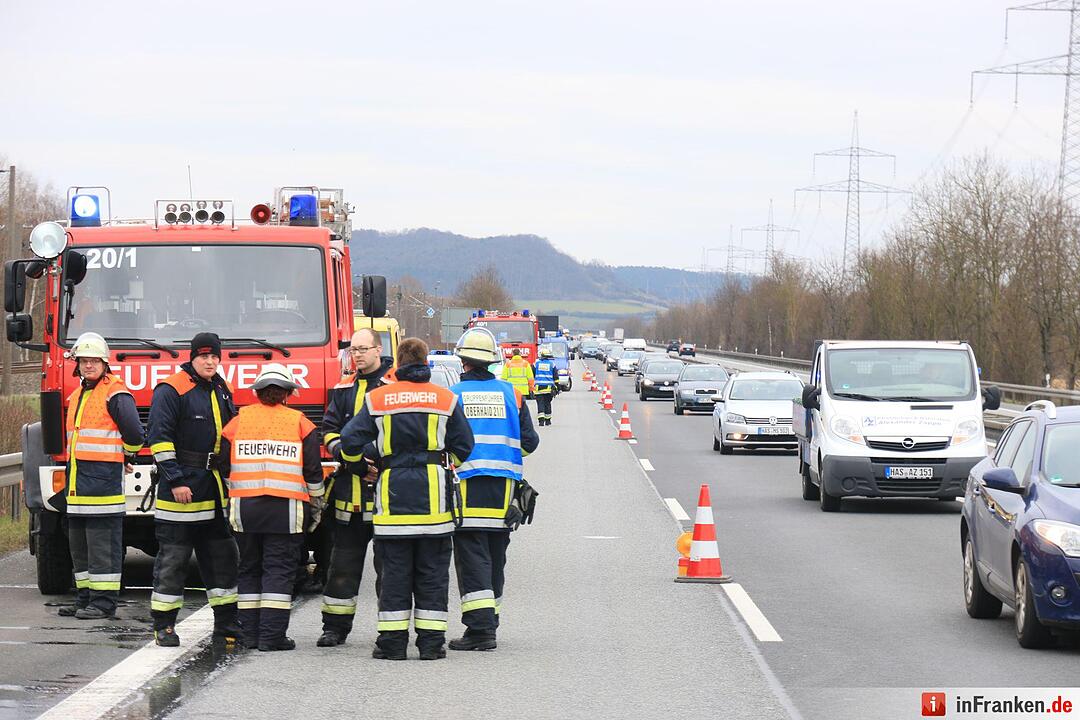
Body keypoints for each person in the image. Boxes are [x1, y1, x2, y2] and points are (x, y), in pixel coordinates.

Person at [339, 338, 474, 661]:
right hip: (434, 504)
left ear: (396, 366)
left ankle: (392, 644)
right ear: (426, 364)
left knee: (395, 576)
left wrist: (361, 465)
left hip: (392, 499)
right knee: (432, 575)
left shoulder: (378, 398)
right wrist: (444, 462)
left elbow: (348, 440)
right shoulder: (445, 399)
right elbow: (465, 445)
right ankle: (430, 645)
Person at [219, 364, 324, 651]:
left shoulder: (239, 421)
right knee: (278, 570)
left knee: (249, 569)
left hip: (245, 509)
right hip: (286, 510)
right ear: (288, 393)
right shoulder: (300, 423)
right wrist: (316, 504)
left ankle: (250, 635)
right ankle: (272, 637)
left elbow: (223, 465)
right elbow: (313, 471)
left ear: (257, 392)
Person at [147, 333, 241, 646]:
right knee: (173, 560)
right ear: (192, 358)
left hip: (214, 490)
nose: (210, 361)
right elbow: (159, 439)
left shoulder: (220, 387)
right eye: (203, 357)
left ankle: (227, 626)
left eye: (214, 356)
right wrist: (175, 480)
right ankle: (164, 625)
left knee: (222, 559)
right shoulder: (172, 389)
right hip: (182, 489)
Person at [448, 328, 539, 651]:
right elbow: (530, 443)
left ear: (463, 360)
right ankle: (490, 620)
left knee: (472, 557)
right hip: (505, 491)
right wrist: (505, 455)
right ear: (492, 361)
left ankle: (480, 630)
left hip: (467, 487)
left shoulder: (453, 394)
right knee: (495, 556)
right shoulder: (512, 394)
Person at [58, 333, 144, 620]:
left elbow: (135, 433)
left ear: (105, 363)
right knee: (80, 548)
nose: (89, 365)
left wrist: (127, 456)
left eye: (94, 360)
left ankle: (104, 603)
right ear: (78, 364)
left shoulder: (115, 393)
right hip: (78, 485)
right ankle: (85, 599)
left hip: (102, 485)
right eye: (84, 361)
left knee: (102, 547)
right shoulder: (80, 394)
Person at [316, 328, 393, 647]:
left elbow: (399, 431)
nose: (357, 354)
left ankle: (391, 629)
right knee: (342, 565)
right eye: (353, 350)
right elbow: (329, 430)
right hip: (349, 492)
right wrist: (346, 457)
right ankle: (334, 627)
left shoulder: (394, 388)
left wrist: (373, 458)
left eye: (363, 349)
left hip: (385, 490)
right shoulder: (343, 387)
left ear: (378, 350)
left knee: (389, 568)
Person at [532, 346, 558, 426]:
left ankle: (541, 421)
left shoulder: (536, 364)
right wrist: (557, 387)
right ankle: (548, 421)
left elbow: (532, 375)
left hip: (538, 388)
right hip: (548, 388)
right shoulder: (552, 364)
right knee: (547, 404)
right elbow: (556, 377)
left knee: (540, 404)